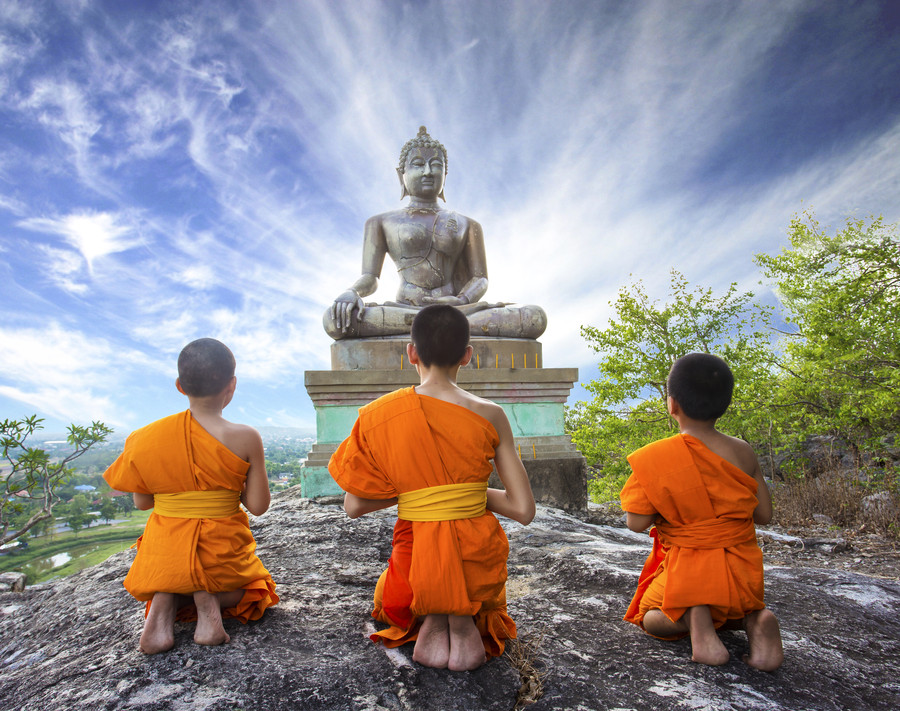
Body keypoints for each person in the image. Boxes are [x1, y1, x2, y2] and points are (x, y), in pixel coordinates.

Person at [328, 304, 536, 671]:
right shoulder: (491, 414)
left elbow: (354, 505)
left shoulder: (379, 415)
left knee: (390, 593)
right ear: (467, 356)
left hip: (413, 571)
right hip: (476, 565)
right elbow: (523, 509)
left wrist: (421, 492)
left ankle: (431, 616)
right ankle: (461, 619)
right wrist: (464, 494)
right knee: (470, 588)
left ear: (411, 353)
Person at [104, 338, 278, 654]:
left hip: (163, 559)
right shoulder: (245, 437)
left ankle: (164, 602)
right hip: (221, 554)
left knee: (177, 578)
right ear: (232, 385)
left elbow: (143, 503)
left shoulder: (143, 439)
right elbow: (258, 506)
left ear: (179, 386)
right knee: (257, 590)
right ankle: (207, 599)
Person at [619, 353, 783, 671]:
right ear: (724, 404)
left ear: (672, 405)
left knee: (650, 617)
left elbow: (636, 523)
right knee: (735, 607)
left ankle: (696, 619)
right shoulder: (743, 451)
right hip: (743, 577)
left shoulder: (656, 458)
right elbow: (764, 514)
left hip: (689, 574)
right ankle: (755, 621)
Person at [324, 126, 546, 340]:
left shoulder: (467, 224)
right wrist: (352, 292)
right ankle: (427, 323)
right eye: (418, 164)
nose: (428, 171)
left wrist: (461, 300)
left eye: (436, 165)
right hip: (404, 310)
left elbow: (480, 278)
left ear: (445, 175)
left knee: (534, 317)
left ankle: (430, 324)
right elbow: (370, 278)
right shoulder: (380, 222)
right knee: (336, 320)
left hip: (456, 310)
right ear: (401, 175)